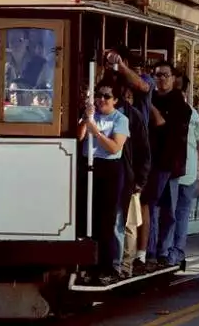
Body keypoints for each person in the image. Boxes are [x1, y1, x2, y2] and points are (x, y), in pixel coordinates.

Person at [77, 82, 129, 285]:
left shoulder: (120, 119)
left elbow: (115, 147)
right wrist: (85, 119)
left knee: (106, 219)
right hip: (88, 166)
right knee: (86, 216)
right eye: (99, 95)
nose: (102, 100)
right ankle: (87, 265)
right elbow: (78, 136)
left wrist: (97, 132)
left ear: (115, 100)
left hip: (109, 169)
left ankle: (107, 267)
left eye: (107, 96)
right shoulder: (91, 115)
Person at [143, 62, 192, 267]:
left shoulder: (179, 103)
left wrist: (148, 104)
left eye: (165, 75)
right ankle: (151, 251)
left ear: (173, 78)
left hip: (170, 164)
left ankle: (164, 249)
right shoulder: (151, 97)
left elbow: (162, 124)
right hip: (151, 162)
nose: (161, 79)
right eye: (157, 75)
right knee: (151, 207)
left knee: (168, 210)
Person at [115, 76, 151, 277]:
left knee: (128, 222)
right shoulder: (102, 116)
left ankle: (126, 266)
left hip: (129, 178)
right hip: (113, 177)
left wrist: (140, 180)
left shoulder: (133, 117)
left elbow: (143, 152)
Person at [164, 96, 199, 269]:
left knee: (172, 212)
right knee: (181, 213)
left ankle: (169, 251)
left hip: (175, 170)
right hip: (188, 170)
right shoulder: (192, 112)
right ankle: (176, 251)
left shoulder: (176, 112)